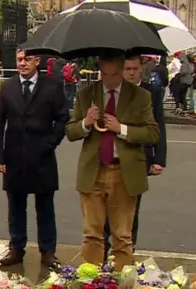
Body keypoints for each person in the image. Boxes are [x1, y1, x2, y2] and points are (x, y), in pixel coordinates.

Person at [65, 52, 159, 271]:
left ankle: (121, 284)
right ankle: (91, 284)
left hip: (123, 172)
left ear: (122, 69)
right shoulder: (86, 94)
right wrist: (86, 123)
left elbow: (152, 133)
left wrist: (121, 129)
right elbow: (70, 131)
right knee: (92, 234)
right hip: (93, 170)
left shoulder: (140, 96)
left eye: (115, 74)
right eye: (104, 74)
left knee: (122, 236)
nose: (109, 80)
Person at [0, 49, 69, 270]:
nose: (22, 63)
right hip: (14, 155)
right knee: (15, 205)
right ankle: (16, 247)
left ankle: (48, 251)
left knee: (45, 205)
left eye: (26, 59)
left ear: (37, 61)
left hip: (42, 155)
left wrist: (50, 142)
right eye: (18, 59)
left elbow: (62, 118)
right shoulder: (8, 87)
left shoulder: (52, 86)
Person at [102, 54, 166, 260]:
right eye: (126, 69)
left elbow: (159, 127)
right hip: (109, 156)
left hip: (138, 156)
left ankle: (127, 251)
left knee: (131, 210)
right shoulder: (112, 91)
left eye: (134, 69)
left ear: (141, 69)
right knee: (104, 211)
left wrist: (159, 158)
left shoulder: (151, 92)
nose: (130, 73)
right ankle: (103, 252)